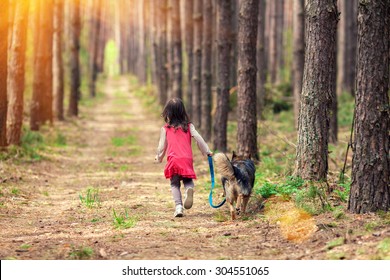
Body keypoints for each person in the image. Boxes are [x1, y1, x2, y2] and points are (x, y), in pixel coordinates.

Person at [155, 98, 212, 218]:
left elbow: (161, 147)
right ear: (183, 111)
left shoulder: (166, 129)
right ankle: (189, 189)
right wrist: (206, 151)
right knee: (187, 180)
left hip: (174, 160)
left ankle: (179, 206)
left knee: (174, 184)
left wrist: (159, 157)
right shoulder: (189, 126)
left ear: (168, 112)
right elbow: (198, 138)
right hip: (187, 159)